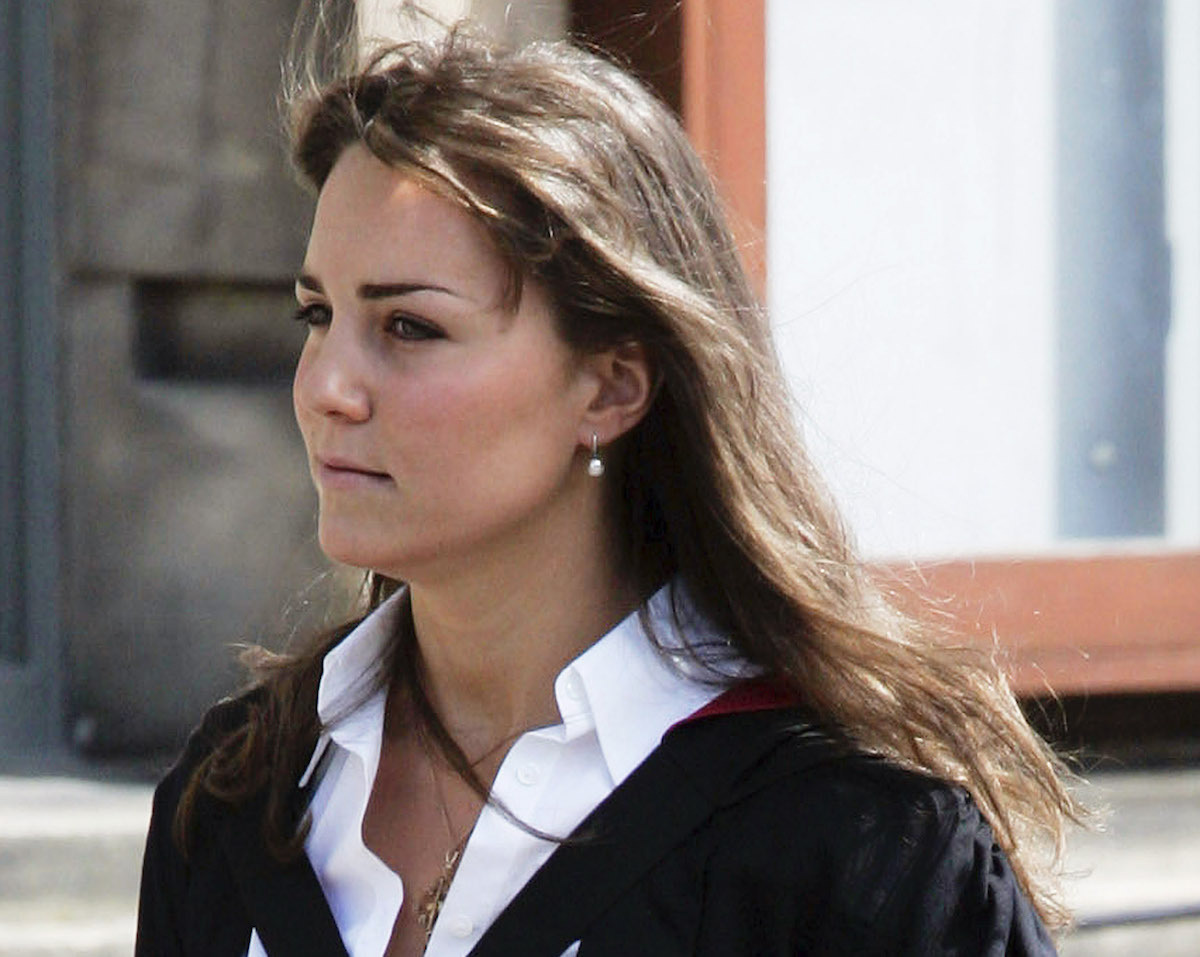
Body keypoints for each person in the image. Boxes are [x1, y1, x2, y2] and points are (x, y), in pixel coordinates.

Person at [136, 15, 1080, 957]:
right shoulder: (235, 796)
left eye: (410, 327)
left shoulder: (855, 853)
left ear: (613, 385)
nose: (326, 388)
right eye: (316, 315)